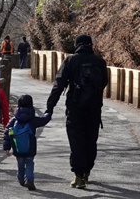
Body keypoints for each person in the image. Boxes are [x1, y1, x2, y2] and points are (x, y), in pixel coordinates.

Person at [46, 34, 108, 189]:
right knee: (91, 140)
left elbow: (58, 85)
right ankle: (87, 171)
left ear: (76, 45)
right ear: (91, 45)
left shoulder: (70, 61)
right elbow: (104, 83)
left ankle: (78, 175)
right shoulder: (100, 62)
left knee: (76, 141)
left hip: (75, 107)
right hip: (94, 108)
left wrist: (50, 106)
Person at [5, 94, 51, 190]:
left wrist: (7, 147)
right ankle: (29, 179)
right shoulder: (32, 119)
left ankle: (21, 179)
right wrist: (48, 112)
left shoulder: (14, 120)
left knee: (20, 163)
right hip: (30, 147)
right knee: (29, 162)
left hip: (18, 148)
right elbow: (44, 120)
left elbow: (7, 133)